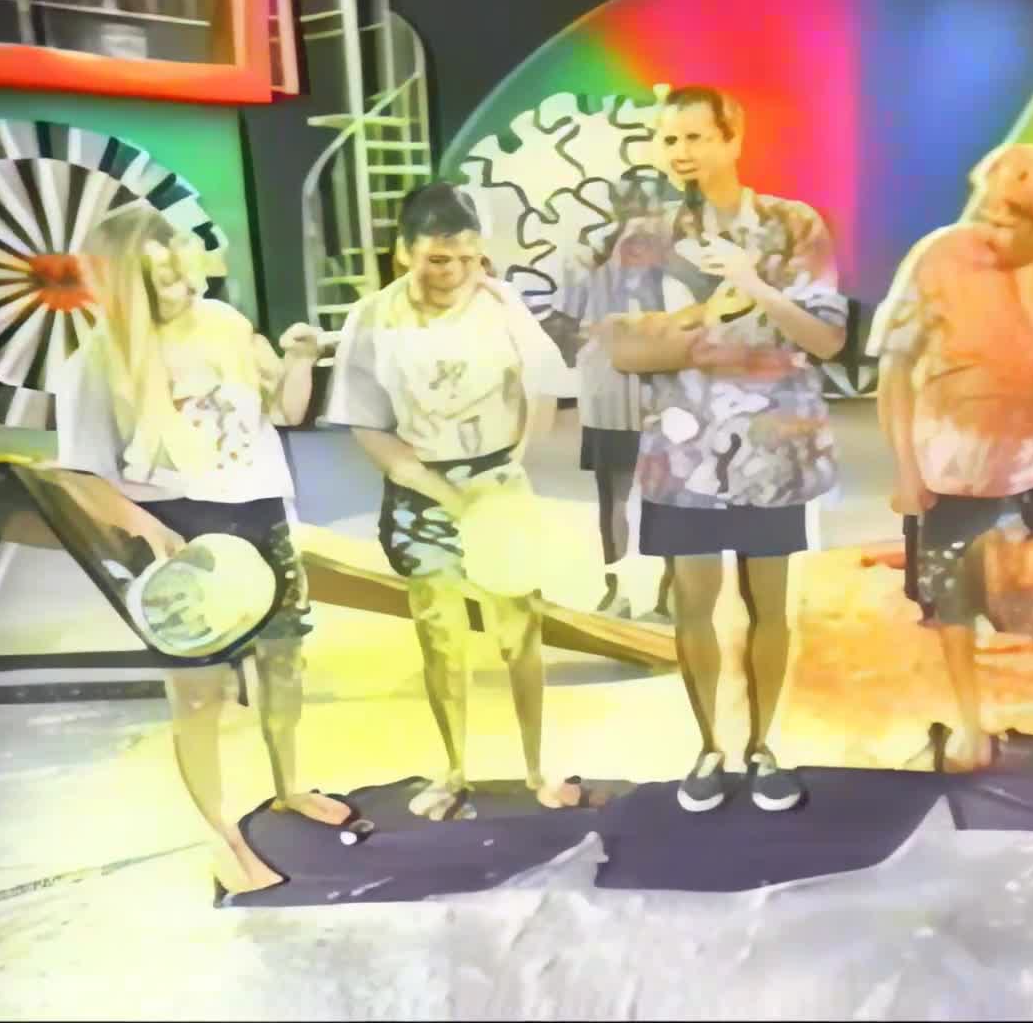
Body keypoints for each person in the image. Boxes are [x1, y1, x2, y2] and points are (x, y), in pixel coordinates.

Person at [54, 201, 334, 894]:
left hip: (260, 511)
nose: (182, 288)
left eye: (184, 271)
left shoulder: (226, 324)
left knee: (284, 661)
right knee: (198, 694)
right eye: (161, 281)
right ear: (124, 284)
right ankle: (220, 834)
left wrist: (299, 358)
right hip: (177, 526)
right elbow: (79, 474)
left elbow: (285, 412)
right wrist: (147, 529)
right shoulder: (96, 362)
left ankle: (290, 787)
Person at [600, 85, 848, 813]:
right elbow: (624, 351)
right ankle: (710, 746)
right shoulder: (641, 238)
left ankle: (763, 746)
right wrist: (709, 326)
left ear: (732, 139)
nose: (680, 152)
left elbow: (825, 338)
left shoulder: (793, 226)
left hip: (775, 449)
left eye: (695, 137)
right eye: (669, 139)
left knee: (769, 604)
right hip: (682, 455)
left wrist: (755, 288)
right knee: (693, 605)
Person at [869, 142, 1033, 778]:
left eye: (1010, 215)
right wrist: (905, 470)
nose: (989, 223)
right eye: (985, 206)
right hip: (949, 467)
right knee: (952, 602)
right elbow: (895, 369)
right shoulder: (936, 257)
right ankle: (970, 725)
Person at [322, 181, 582, 820]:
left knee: (520, 633)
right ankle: (455, 769)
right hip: (421, 490)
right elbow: (368, 426)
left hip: (497, 482)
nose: (456, 273)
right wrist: (440, 491)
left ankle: (536, 767)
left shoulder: (501, 305)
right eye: (439, 259)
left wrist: (514, 464)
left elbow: (544, 389)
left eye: (469, 258)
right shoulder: (373, 319)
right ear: (403, 252)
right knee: (440, 638)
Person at [536, 170, 675, 622]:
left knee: (650, 495)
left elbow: (561, 325)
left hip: (655, 393)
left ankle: (647, 594)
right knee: (642, 495)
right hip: (626, 394)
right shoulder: (589, 259)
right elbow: (562, 326)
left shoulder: (674, 258)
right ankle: (636, 592)